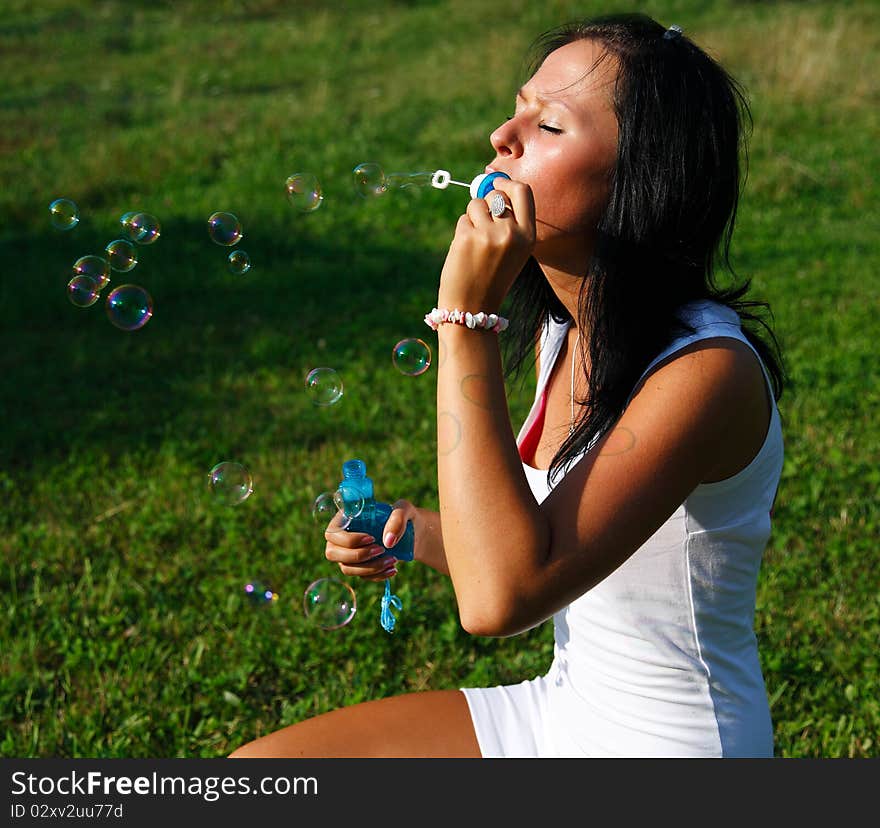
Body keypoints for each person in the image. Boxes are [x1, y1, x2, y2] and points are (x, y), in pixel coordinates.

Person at [229, 11, 785, 759]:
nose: (503, 136)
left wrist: (463, 318)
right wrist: (405, 526)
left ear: (642, 176)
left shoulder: (706, 374)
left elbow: (502, 598)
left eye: (549, 126)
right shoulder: (566, 330)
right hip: (566, 711)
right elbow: (542, 547)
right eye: (518, 107)